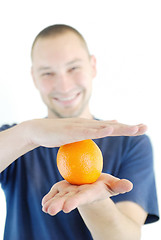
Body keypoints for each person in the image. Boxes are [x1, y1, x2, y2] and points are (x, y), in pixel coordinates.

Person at [0, 24, 159, 240]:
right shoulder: (14, 139)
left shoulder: (130, 144)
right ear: (34, 77)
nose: (64, 86)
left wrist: (94, 200)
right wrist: (28, 133)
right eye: (48, 72)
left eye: (73, 68)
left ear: (92, 66)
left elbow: (127, 237)